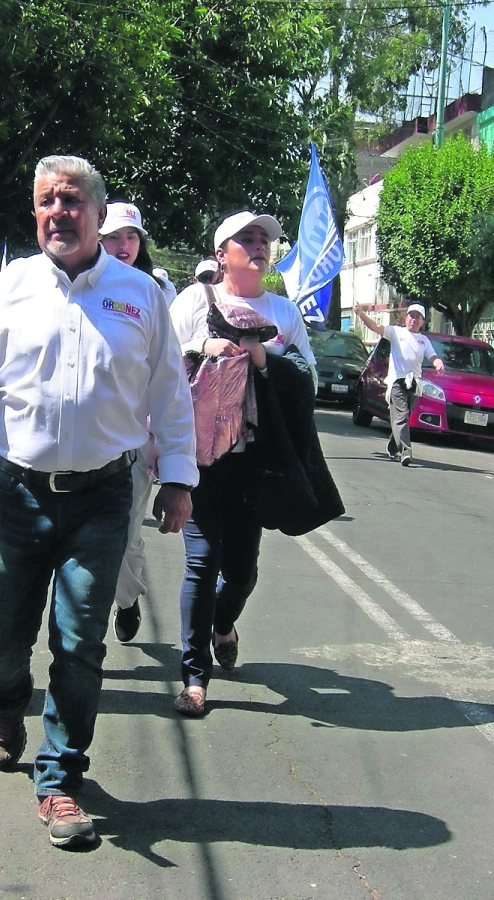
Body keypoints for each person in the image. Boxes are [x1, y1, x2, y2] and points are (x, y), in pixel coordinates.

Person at [0, 156, 197, 849]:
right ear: (35, 212)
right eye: (47, 201)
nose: (58, 213)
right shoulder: (9, 289)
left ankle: (61, 781)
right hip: (18, 493)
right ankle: (7, 705)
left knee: (79, 642)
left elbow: (170, 393)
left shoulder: (140, 296)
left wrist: (180, 478)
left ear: (99, 215)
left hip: (104, 497)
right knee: (3, 637)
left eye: (72, 201)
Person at [167, 210, 319, 718]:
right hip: (202, 457)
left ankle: (224, 626)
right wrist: (199, 346)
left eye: (264, 241)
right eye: (246, 240)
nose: (258, 247)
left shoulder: (284, 312)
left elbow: (307, 381)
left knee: (242, 571)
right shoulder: (193, 302)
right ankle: (193, 678)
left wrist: (262, 357)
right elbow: (159, 365)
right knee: (200, 562)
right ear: (221, 253)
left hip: (257, 460)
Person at [97, 200, 174, 643]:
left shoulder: (155, 290)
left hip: (136, 437)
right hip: (88, 436)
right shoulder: (77, 285)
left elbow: (169, 374)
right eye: (113, 237)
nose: (122, 246)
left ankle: (127, 599)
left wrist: (165, 439)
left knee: (126, 532)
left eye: (131, 237)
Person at [353, 302, 444, 466]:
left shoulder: (424, 341)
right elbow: (376, 327)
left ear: (422, 321)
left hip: (414, 383)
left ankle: (393, 445)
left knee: (404, 418)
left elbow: (432, 356)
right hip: (397, 381)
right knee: (400, 416)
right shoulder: (396, 332)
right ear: (406, 318)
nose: (413, 320)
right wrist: (361, 314)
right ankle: (405, 452)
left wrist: (438, 363)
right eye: (411, 316)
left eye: (417, 317)